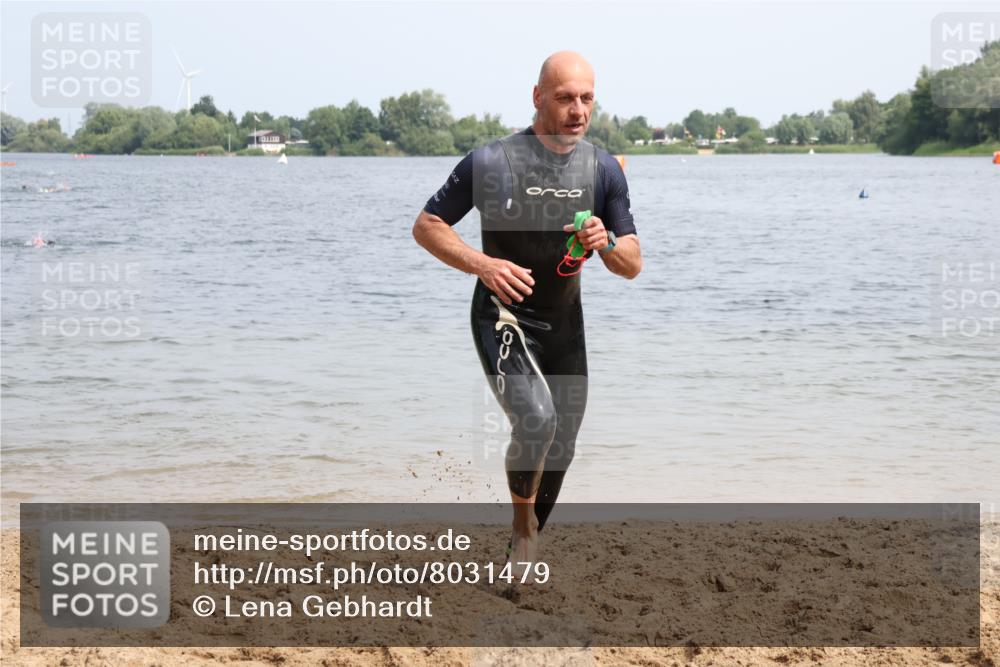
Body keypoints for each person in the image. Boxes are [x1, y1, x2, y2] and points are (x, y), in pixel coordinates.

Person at [412, 51, 642, 568]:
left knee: (563, 443)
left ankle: (527, 531)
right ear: (538, 98)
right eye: (565, 98)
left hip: (565, 325)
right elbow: (427, 226)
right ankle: (522, 530)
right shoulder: (492, 162)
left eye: (586, 99)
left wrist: (605, 242)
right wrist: (482, 264)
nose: (577, 110)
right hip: (503, 315)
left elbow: (632, 264)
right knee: (537, 421)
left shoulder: (604, 169)